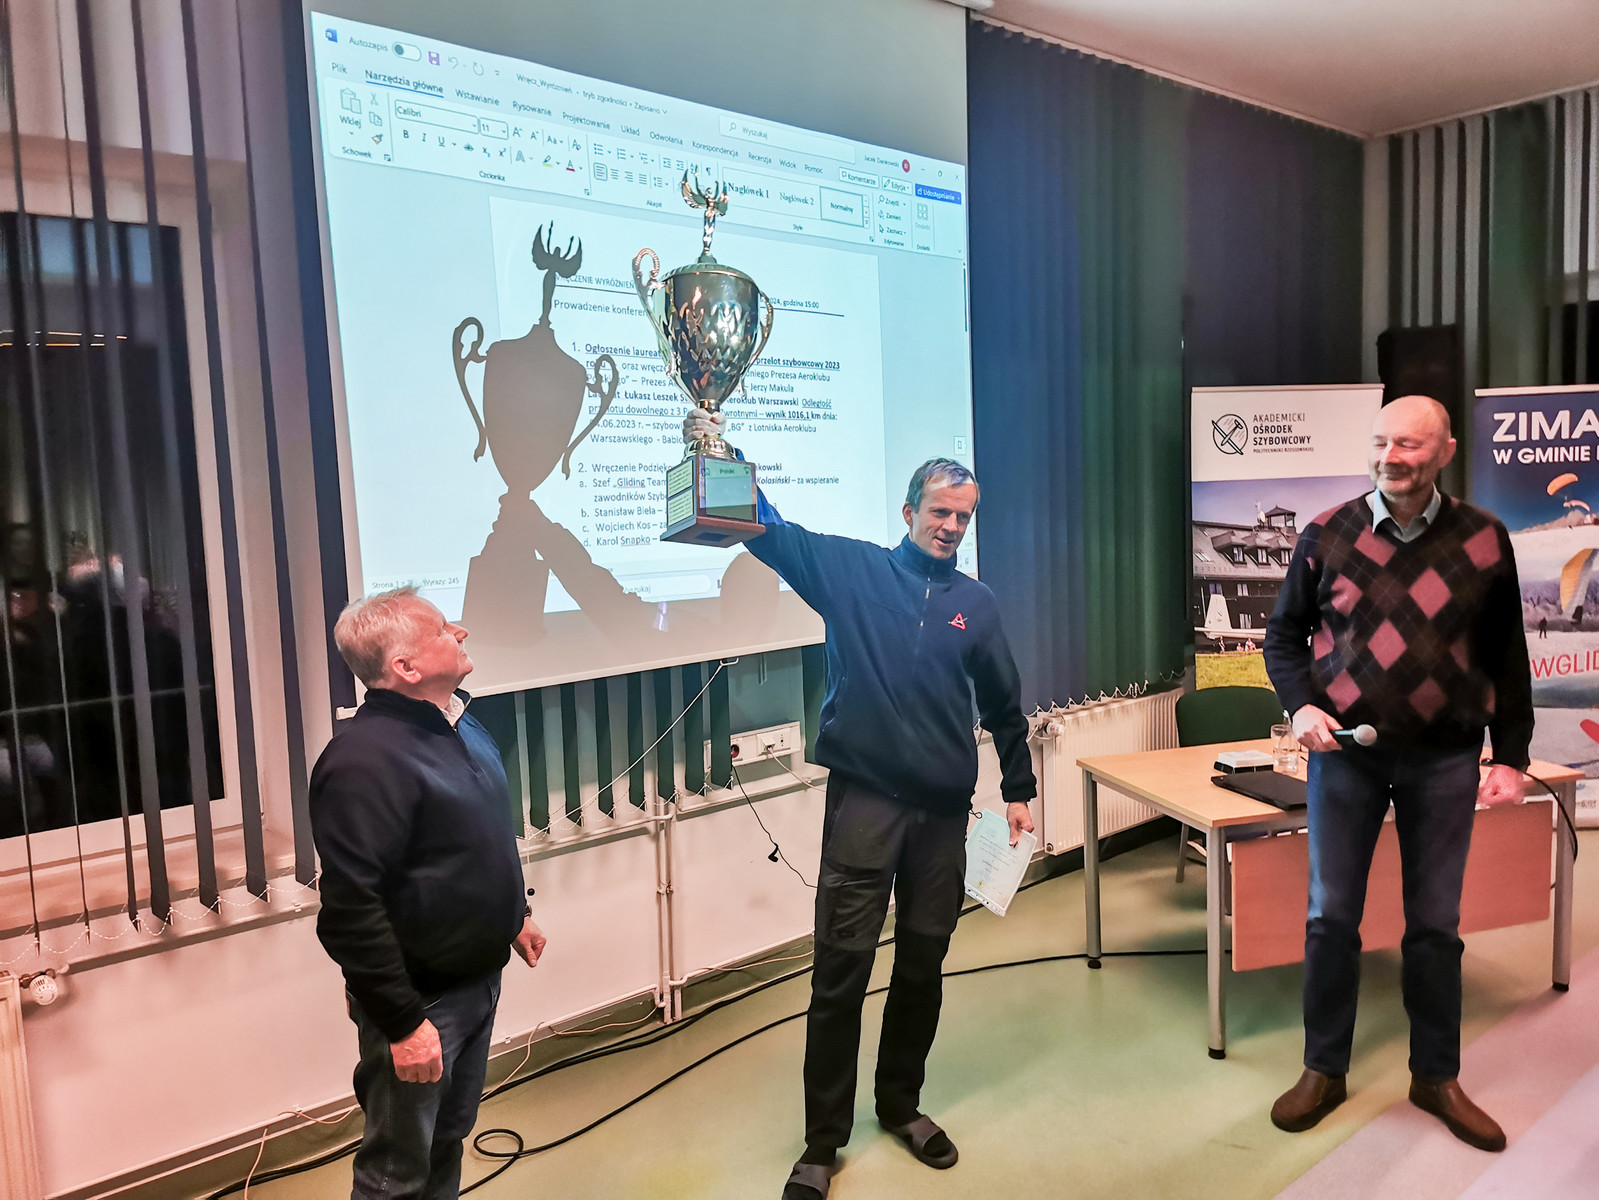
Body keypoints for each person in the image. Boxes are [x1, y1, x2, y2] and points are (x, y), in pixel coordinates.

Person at [682, 411, 1037, 1200]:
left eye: (963, 517)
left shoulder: (975, 604)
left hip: (942, 817)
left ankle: (900, 1105)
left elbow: (1004, 705)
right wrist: (721, 453)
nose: (951, 527)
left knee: (922, 967)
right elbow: (770, 530)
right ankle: (821, 1144)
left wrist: (1018, 790)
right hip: (865, 808)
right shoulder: (849, 571)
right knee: (840, 974)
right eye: (939, 511)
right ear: (908, 510)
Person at [1263, 395, 1532, 1152]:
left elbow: (1507, 654)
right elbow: (1282, 636)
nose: (1392, 457)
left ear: (1445, 450)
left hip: (1446, 757)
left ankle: (1435, 1076)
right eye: (1382, 442)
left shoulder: (1484, 538)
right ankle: (1323, 1069)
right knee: (1330, 919)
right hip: (1346, 756)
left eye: (1410, 445)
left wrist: (1512, 756)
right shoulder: (1326, 533)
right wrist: (1299, 707)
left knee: (1435, 925)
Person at [310, 588, 547, 1199]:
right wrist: (402, 1024)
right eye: (442, 629)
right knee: (395, 1173)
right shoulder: (364, 761)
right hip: (421, 1004)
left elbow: (477, 838)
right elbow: (350, 911)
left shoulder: (460, 725)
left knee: (446, 1140)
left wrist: (514, 914)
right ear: (406, 667)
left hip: (476, 982)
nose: (460, 632)